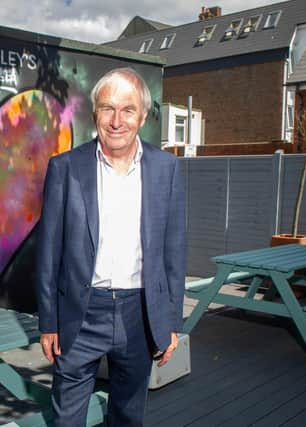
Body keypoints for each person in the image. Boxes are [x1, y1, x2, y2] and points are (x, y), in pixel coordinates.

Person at [35, 67, 186, 427]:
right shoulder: (65, 168)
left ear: (143, 116)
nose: (117, 120)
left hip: (141, 313)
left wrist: (171, 323)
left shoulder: (167, 169)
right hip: (80, 314)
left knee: (128, 417)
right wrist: (48, 320)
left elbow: (174, 250)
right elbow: (48, 252)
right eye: (108, 108)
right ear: (95, 113)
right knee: (66, 420)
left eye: (128, 109)